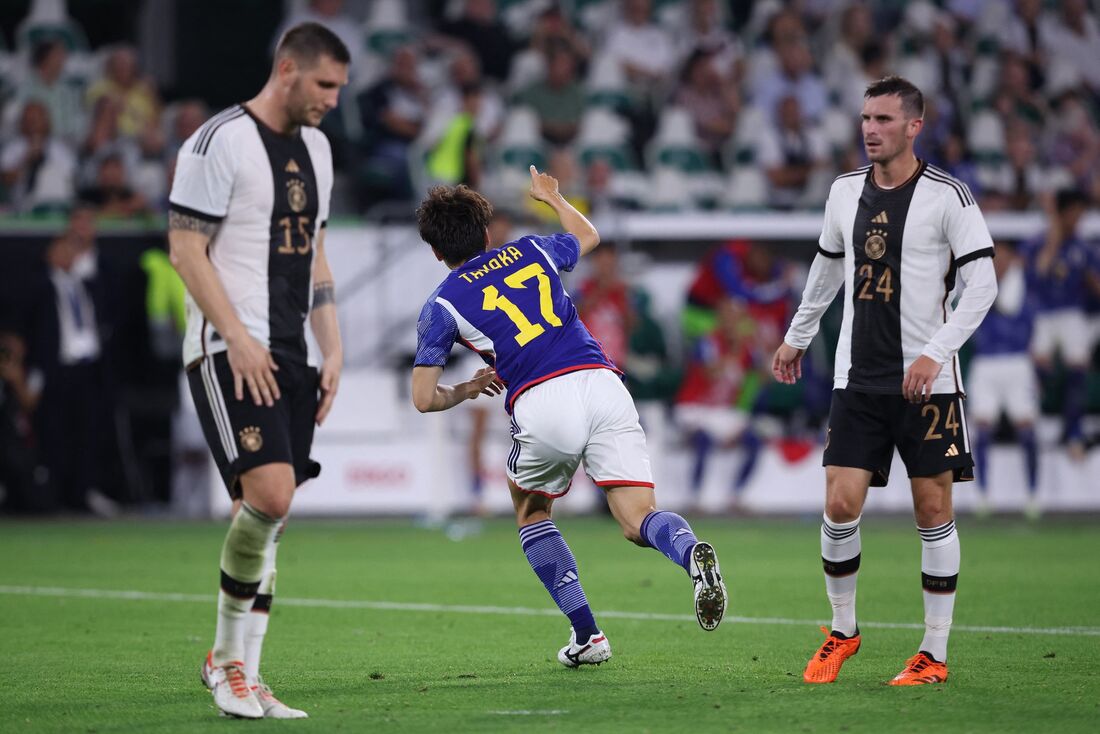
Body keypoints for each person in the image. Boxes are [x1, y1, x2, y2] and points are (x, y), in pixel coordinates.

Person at [411, 167, 728, 667]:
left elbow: (424, 398)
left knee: (532, 511)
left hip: (542, 399)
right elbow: (588, 235)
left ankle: (590, 636)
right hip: (604, 384)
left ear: (435, 252)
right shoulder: (532, 250)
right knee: (636, 518)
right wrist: (554, 198)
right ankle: (691, 555)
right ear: (489, 233)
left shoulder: (442, 304)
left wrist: (468, 388)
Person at [772, 76, 998, 686]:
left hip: (929, 383)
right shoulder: (844, 192)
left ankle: (934, 652)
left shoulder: (949, 196)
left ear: (914, 126)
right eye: (866, 118)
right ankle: (842, 632)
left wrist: (935, 352)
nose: (871, 129)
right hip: (858, 379)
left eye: (884, 120)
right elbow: (826, 269)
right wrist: (798, 334)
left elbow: (983, 286)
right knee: (840, 504)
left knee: (932, 510)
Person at [166, 23, 349, 720]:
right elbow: (186, 250)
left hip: (292, 351)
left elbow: (317, 255)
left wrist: (333, 349)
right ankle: (224, 662)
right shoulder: (218, 142)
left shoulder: (319, 150)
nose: (332, 100)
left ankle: (249, 672)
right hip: (227, 347)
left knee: (271, 515)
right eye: (324, 84)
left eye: (338, 87)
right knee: (269, 496)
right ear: (287, 69)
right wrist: (238, 338)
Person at [967, 242, 1041, 518]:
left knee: (1027, 431)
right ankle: (983, 495)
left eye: (1005, 256)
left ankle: (1033, 495)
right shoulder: (976, 284)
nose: (999, 262)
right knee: (982, 431)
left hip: (1017, 362)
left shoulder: (1025, 287)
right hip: (986, 363)